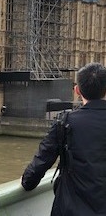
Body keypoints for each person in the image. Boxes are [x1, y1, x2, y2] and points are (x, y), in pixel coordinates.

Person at [21, 62, 106, 215]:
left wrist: (27, 182)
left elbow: (43, 158)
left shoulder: (65, 122)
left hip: (71, 208)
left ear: (77, 90)